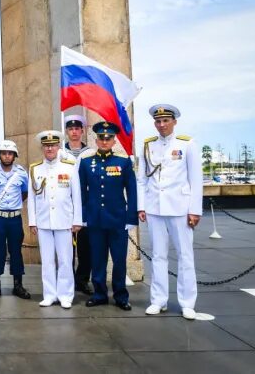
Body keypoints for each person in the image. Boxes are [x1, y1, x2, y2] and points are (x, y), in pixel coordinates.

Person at [137, 104, 202, 320]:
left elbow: (196, 179)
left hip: (180, 209)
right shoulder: (148, 146)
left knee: (185, 256)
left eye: (166, 121)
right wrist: (141, 206)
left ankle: (187, 303)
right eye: (158, 121)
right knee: (158, 255)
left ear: (174, 122)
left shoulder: (187, 144)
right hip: (155, 207)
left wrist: (194, 210)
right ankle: (158, 300)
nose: (162, 125)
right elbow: (142, 179)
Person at [78, 122, 137, 311]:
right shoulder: (86, 163)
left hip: (117, 219)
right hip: (95, 219)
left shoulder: (123, 162)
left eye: (108, 138)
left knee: (119, 260)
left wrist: (130, 218)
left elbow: (132, 191)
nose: (104, 141)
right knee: (97, 259)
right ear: (96, 140)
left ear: (113, 140)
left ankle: (120, 295)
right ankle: (99, 293)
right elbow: (81, 192)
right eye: (101, 138)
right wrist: (83, 216)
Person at [28, 131, 83, 309]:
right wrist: (32, 221)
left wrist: (77, 220)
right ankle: (50, 294)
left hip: (64, 221)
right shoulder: (35, 168)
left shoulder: (69, 166)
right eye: (46, 145)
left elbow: (77, 196)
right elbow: (32, 198)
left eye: (53, 145)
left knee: (66, 259)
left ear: (59, 146)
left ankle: (66, 295)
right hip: (44, 222)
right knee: (47, 260)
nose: (49, 148)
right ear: (42, 148)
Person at [0, 140, 32, 300]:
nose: (7, 156)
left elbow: (24, 193)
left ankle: (18, 285)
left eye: (10, 153)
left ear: (14, 155)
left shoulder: (22, 174)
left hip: (14, 219)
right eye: (4, 153)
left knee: (16, 252)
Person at [63, 114, 93, 295]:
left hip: (85, 204)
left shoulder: (90, 152)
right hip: (66, 203)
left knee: (85, 246)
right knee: (66, 246)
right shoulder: (60, 153)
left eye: (77, 129)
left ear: (82, 131)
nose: (74, 132)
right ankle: (67, 280)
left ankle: (82, 280)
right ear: (67, 131)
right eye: (70, 129)